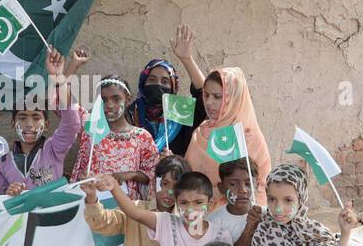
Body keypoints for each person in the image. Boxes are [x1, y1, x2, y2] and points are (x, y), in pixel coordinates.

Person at [0, 47, 86, 195]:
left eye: (36, 117)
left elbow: (72, 124)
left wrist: (58, 78)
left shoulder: (53, 149)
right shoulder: (4, 162)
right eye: (22, 117)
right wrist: (8, 193)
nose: (29, 124)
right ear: (13, 123)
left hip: (50, 217)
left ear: (47, 125)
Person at [184, 66, 272, 197]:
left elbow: (263, 187)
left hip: (240, 213)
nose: (209, 102)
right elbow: (186, 180)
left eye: (217, 97)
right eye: (206, 95)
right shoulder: (200, 132)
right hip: (197, 210)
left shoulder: (249, 136)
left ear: (234, 98)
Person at [126, 23, 209, 156]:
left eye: (165, 81)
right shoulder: (131, 113)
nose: (158, 85)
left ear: (173, 86)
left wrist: (187, 59)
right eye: (152, 80)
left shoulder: (181, 111)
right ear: (143, 83)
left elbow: (205, 96)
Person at [70, 75, 158, 199]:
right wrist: (67, 69)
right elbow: (63, 104)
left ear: (128, 99)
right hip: (89, 204)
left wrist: (131, 174)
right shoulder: (89, 126)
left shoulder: (142, 137)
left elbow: (152, 173)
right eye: (103, 100)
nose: (109, 105)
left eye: (116, 99)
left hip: (126, 209)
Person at [208, 157, 258, 246]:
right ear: (221, 188)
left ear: (256, 184)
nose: (243, 190)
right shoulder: (213, 222)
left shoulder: (266, 215)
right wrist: (249, 227)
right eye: (233, 184)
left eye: (248, 183)